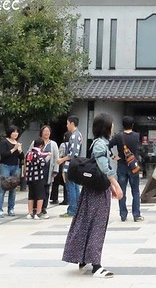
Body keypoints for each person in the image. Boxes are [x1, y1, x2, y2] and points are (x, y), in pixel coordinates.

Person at [62, 113, 123, 277]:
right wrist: (115, 184)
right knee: (96, 225)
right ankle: (96, 265)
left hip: (93, 190)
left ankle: (83, 259)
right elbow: (102, 165)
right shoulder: (100, 144)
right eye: (112, 124)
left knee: (87, 223)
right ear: (106, 127)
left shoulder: (100, 142)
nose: (114, 127)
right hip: (97, 193)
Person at [110, 115, 144, 222]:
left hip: (122, 166)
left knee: (122, 190)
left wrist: (114, 157)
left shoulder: (118, 137)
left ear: (122, 125)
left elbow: (108, 146)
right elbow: (141, 150)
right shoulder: (137, 136)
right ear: (132, 125)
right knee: (136, 191)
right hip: (133, 166)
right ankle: (136, 214)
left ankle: (123, 214)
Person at [0, 125, 23, 218]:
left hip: (15, 167)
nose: (15, 134)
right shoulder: (4, 142)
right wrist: (14, 149)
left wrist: (20, 151)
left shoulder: (17, 143)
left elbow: (22, 158)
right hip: (5, 166)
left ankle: (11, 209)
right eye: (13, 132)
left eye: (17, 132)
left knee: (13, 188)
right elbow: (3, 155)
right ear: (9, 133)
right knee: (3, 187)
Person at [59, 115, 82, 217]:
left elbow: (73, 154)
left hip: (71, 165)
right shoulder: (78, 135)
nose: (67, 125)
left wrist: (62, 159)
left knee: (71, 187)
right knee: (75, 187)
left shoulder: (74, 136)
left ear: (72, 124)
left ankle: (72, 209)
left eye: (68, 123)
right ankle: (76, 209)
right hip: (75, 165)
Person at [25, 137, 49, 219]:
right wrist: (46, 158)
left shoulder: (29, 154)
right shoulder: (37, 154)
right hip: (38, 178)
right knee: (40, 195)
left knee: (31, 195)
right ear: (41, 146)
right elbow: (42, 163)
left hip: (30, 178)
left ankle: (30, 212)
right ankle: (38, 213)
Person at [38, 125, 59, 219]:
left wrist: (55, 170)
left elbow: (56, 158)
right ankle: (37, 208)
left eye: (48, 131)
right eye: (44, 131)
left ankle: (44, 208)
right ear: (41, 132)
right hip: (37, 171)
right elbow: (30, 154)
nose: (46, 133)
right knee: (38, 189)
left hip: (48, 171)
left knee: (46, 190)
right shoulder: (37, 142)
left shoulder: (53, 144)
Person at [51, 131, 71, 205]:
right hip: (70, 165)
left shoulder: (63, 144)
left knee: (56, 182)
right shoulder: (73, 144)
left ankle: (54, 198)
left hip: (62, 165)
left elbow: (60, 154)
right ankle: (68, 199)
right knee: (67, 183)